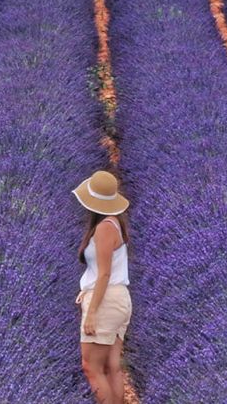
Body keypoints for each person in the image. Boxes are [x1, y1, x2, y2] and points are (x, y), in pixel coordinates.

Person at [73, 169, 132, 404]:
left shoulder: (104, 228)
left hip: (105, 300)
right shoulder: (115, 223)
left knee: (91, 367)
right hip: (119, 299)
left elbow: (104, 274)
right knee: (110, 366)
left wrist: (92, 312)